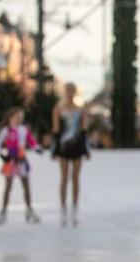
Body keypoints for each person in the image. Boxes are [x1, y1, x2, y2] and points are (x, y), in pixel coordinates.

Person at [0, 107, 42, 225]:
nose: (18, 119)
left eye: (20, 117)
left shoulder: (23, 129)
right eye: (15, 116)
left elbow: (31, 141)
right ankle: (3, 212)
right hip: (11, 160)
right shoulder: (6, 130)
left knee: (26, 185)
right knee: (8, 187)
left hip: (21, 159)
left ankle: (29, 210)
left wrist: (37, 148)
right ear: (10, 117)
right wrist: (2, 156)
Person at [51, 82, 89, 227]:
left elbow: (84, 131)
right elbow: (55, 130)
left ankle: (75, 209)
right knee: (64, 177)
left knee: (75, 178)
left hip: (77, 145)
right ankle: (63, 209)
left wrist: (86, 149)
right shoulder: (58, 109)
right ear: (64, 92)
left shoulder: (81, 110)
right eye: (67, 90)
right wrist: (54, 149)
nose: (69, 93)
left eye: (72, 90)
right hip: (63, 145)